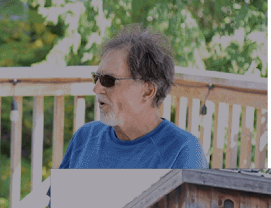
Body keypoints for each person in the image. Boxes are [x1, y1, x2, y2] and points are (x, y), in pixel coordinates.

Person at [60, 25, 207, 169]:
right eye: (96, 78)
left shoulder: (183, 152)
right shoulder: (85, 137)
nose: (96, 88)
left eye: (108, 80)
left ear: (148, 91)